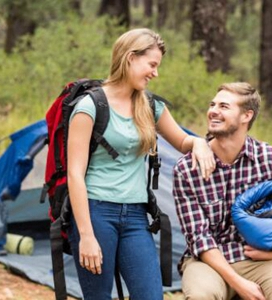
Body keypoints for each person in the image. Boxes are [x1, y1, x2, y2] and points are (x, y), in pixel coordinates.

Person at [66, 28, 215, 300]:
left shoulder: (150, 105)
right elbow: (74, 175)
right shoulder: (89, 107)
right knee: (98, 296)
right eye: (152, 65)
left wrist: (199, 143)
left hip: (136, 216)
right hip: (96, 213)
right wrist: (86, 235)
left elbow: (183, 141)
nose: (155, 73)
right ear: (131, 58)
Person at [172, 82, 272, 300]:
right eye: (212, 104)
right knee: (201, 296)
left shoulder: (271, 159)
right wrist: (240, 284)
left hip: (260, 258)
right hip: (208, 261)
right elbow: (199, 238)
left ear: (246, 116)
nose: (213, 111)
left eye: (224, 106)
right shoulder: (187, 168)